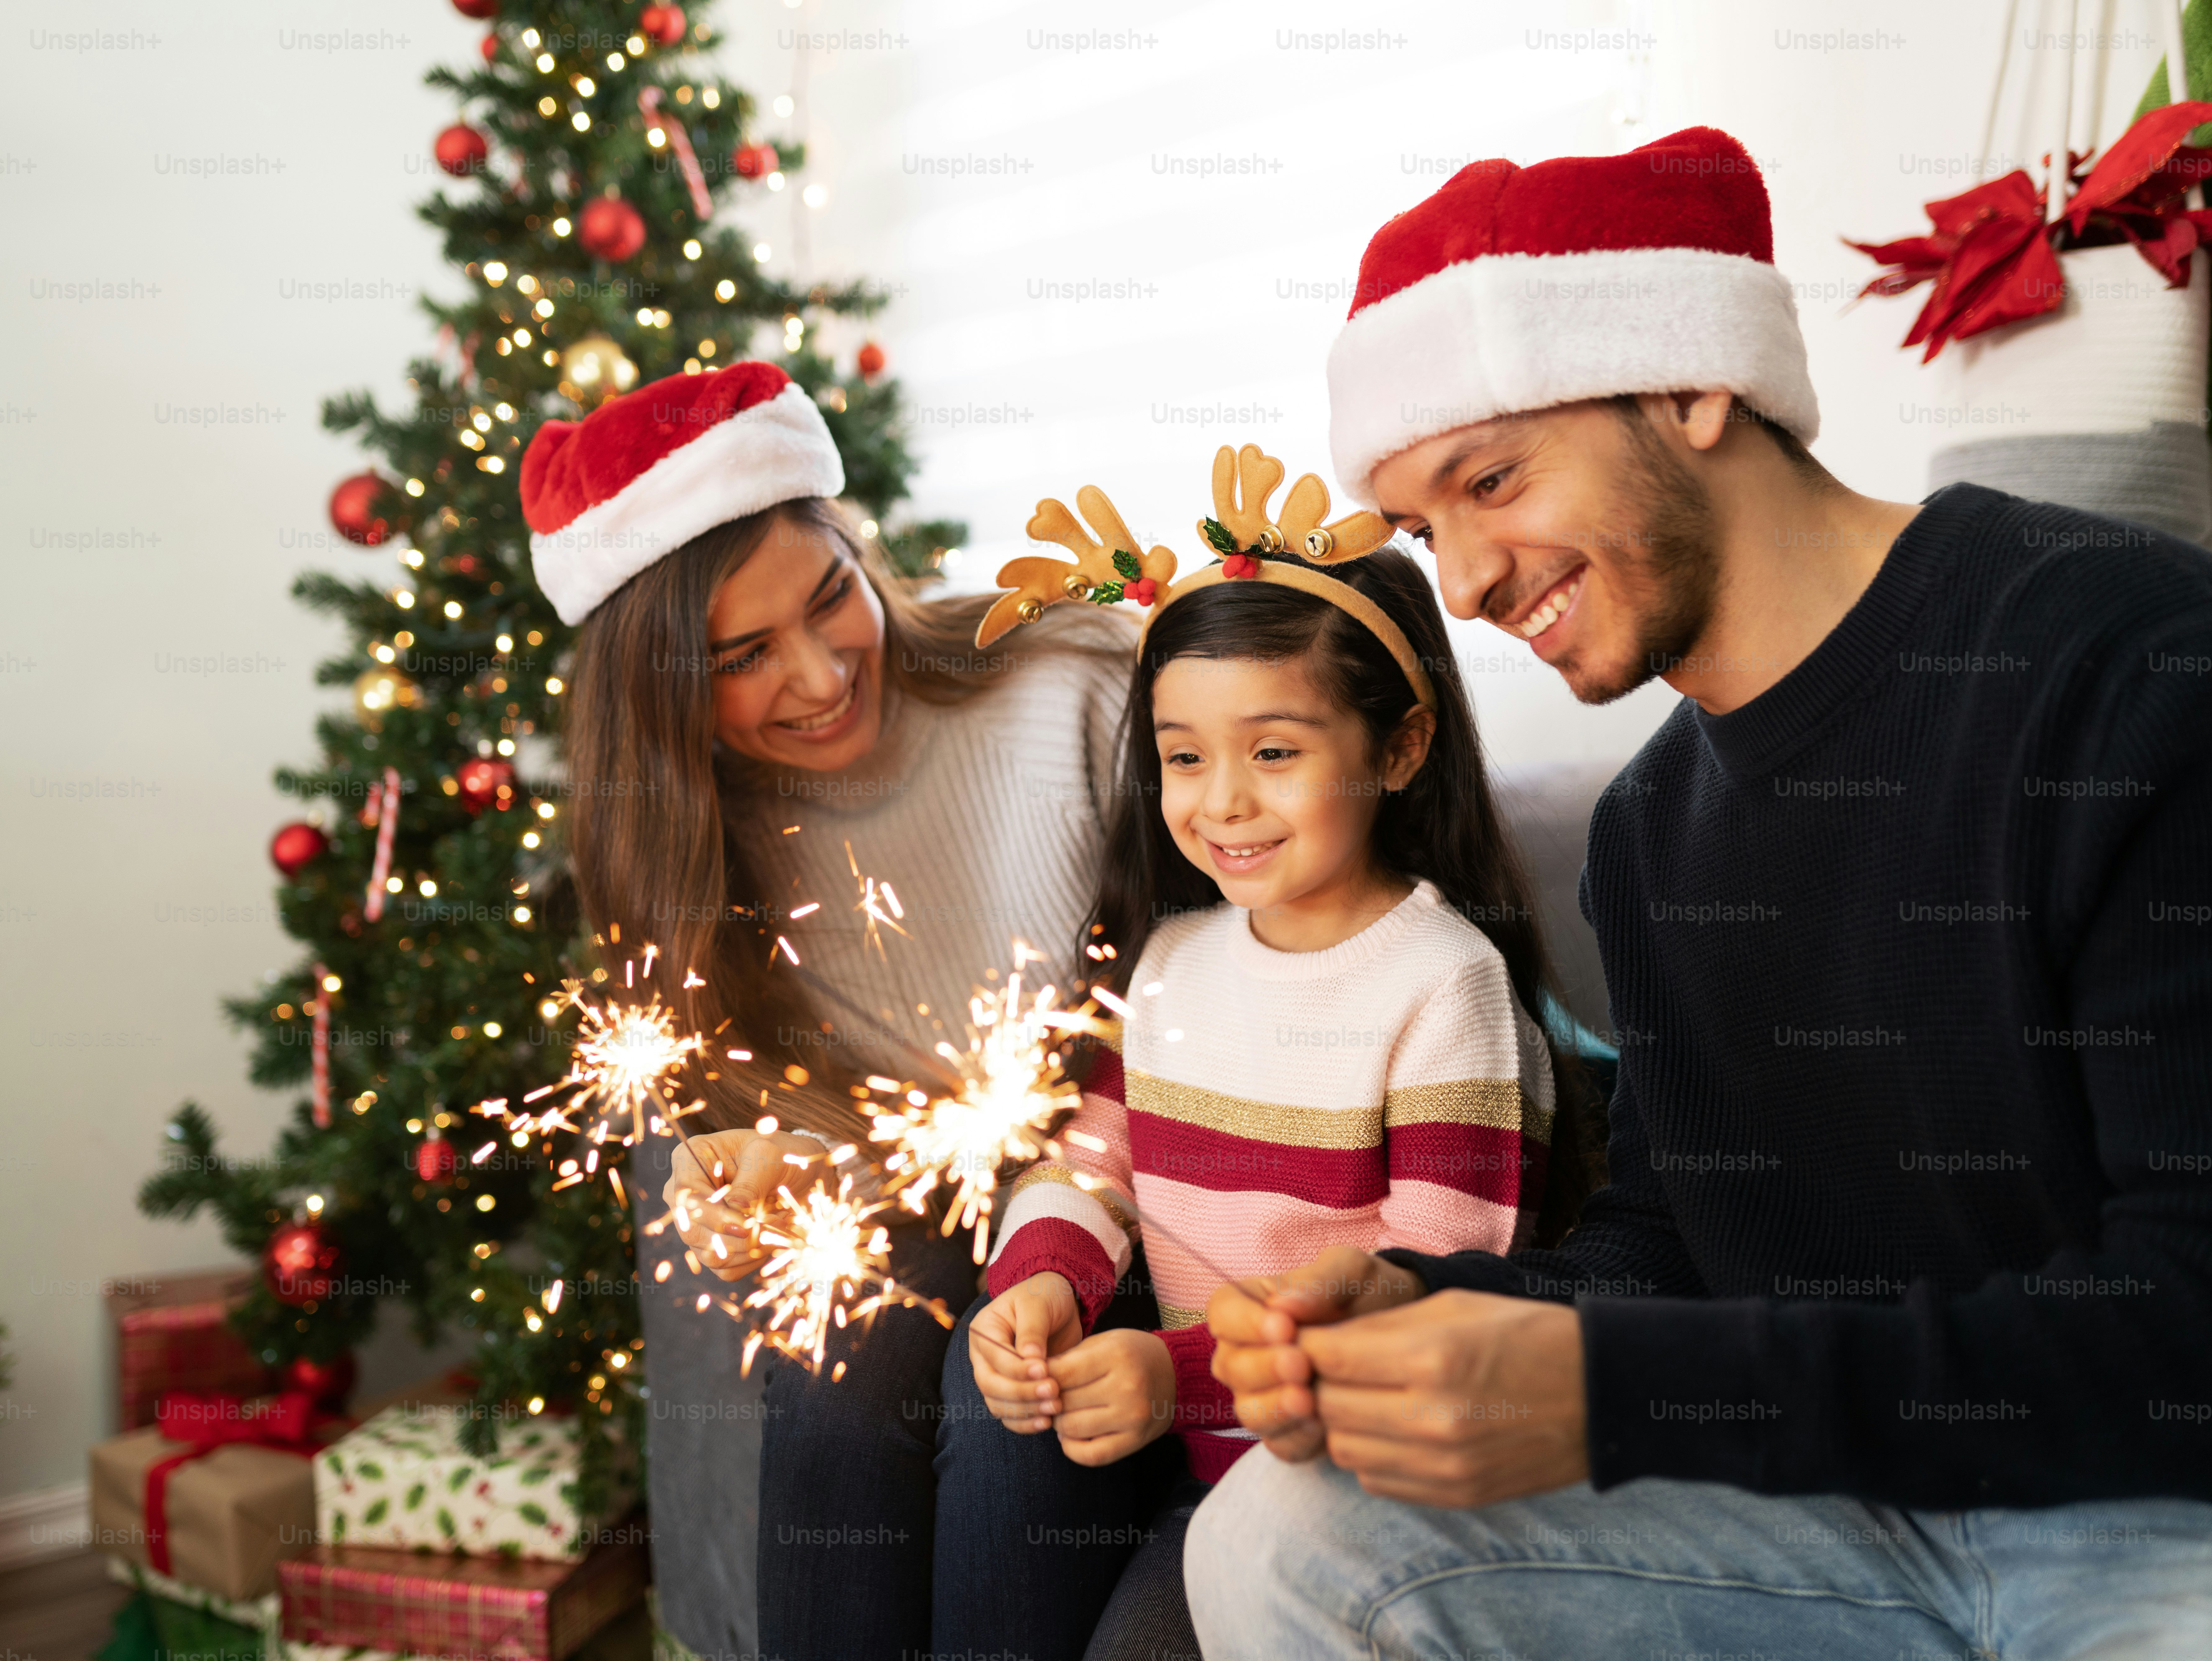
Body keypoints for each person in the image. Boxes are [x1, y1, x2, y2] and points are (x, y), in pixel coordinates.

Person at [1186, 125, 2212, 1658]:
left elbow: (2184, 1325)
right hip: (1832, 1515)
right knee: (1286, 1535)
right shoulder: (1651, 831)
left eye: (1490, 479)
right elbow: (1674, 1237)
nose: (1457, 583)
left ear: (1689, 383)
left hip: (2151, 1514)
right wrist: (1425, 1306)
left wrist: (1618, 1398)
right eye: (1419, 529)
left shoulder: (2118, 665)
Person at [936, 455, 1603, 1660]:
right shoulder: (1174, 960)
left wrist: (1176, 1379)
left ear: (1399, 751)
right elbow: (1093, 1160)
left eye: (1276, 752)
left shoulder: (1442, 984)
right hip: (1192, 1459)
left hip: (1356, 1487)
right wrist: (1047, 1273)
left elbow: (1429, 1295)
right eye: (1185, 756)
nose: (1222, 802)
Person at [520, 360, 1137, 1660]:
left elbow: (1201, 995)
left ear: (860, 555)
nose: (816, 675)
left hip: (1131, 1183)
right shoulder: (676, 844)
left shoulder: (1068, 680)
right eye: (742, 657)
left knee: (1012, 1409)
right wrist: (742, 1177)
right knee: (830, 1379)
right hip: (900, 1211)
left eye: (830, 598)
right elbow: (734, 1114)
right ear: (658, 690)